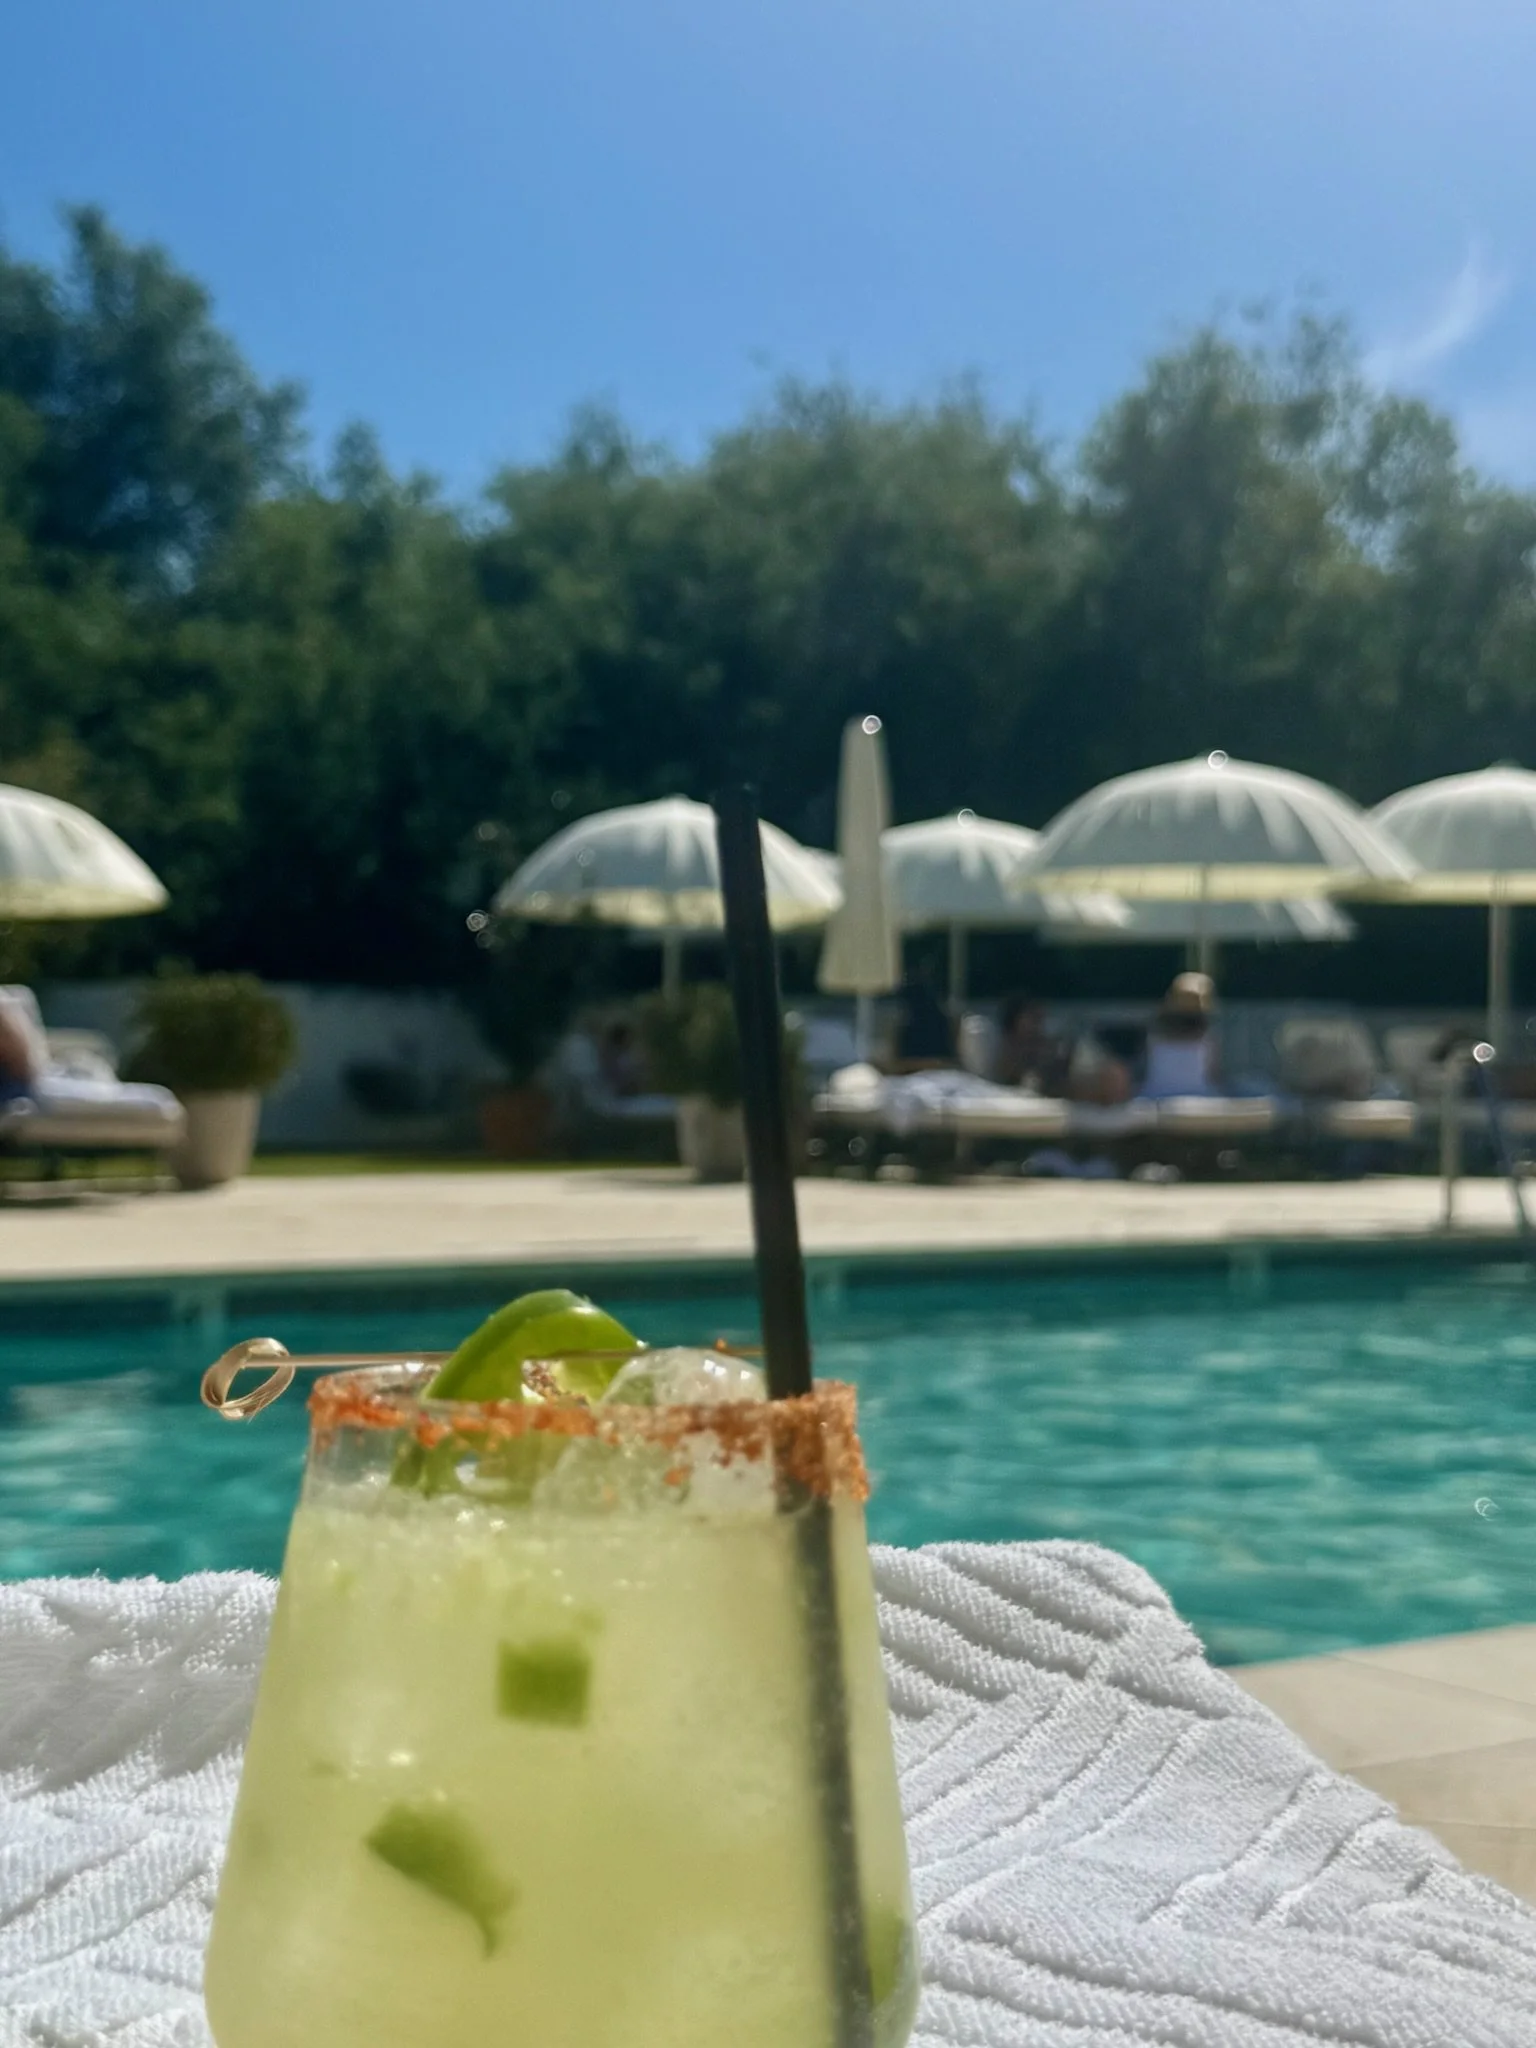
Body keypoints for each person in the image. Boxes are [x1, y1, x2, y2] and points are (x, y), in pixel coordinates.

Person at [994, 994, 1131, 1105]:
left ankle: (1110, 1088)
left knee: (1110, 1072)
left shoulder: (1041, 1041)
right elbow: (1013, 1077)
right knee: (1107, 1079)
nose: (1039, 1023)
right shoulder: (1010, 1047)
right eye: (1033, 1017)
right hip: (1042, 1089)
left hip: (1059, 1081)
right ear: (1016, 1020)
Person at [1140, 972, 1220, 1099]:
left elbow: (1214, 1075)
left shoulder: (1208, 1041)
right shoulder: (1155, 1039)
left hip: (1200, 1101)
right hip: (1157, 1101)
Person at [889, 966, 954, 1071]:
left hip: (913, 1074)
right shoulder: (943, 1020)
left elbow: (897, 1062)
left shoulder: (906, 1024)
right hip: (941, 1072)